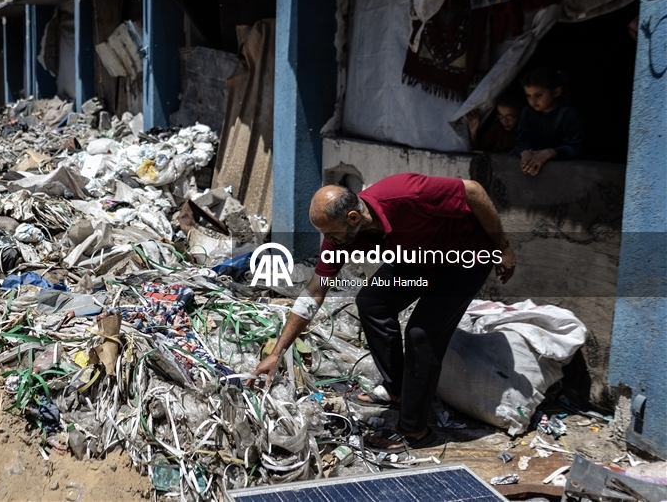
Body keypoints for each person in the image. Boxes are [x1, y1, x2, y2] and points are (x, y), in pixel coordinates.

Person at [249, 173, 516, 452]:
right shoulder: (342, 238)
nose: (328, 240)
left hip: (463, 259)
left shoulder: (405, 194)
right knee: (372, 302)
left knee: (421, 334)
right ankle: (398, 389)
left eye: (330, 233)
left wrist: (504, 247)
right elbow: (315, 291)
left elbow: (472, 190)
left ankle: (415, 431)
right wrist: (277, 353)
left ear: (353, 217)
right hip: (416, 261)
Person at [513, 67, 584, 176]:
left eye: (538, 95)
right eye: (528, 96)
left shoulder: (568, 113)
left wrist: (549, 153)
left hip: (564, 173)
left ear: (556, 92)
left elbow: (575, 147)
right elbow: (521, 139)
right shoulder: (527, 112)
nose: (532, 101)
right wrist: (525, 153)